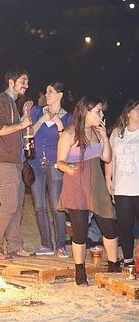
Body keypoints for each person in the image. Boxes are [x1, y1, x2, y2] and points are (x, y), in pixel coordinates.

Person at [57, 96, 119, 286]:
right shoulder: (68, 134)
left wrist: (105, 138)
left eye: (101, 111)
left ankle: (113, 265)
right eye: (98, 111)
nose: (101, 114)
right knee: (80, 231)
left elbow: (107, 158)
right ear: (86, 111)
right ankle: (80, 270)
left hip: (96, 184)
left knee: (109, 226)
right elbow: (59, 162)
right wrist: (67, 168)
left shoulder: (98, 133)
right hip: (76, 185)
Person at [0, 69, 34, 259]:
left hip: (15, 159)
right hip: (2, 159)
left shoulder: (12, 103)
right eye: (23, 81)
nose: (26, 85)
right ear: (11, 82)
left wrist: (25, 114)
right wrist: (22, 124)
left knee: (18, 205)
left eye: (27, 82)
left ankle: (14, 246)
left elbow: (14, 128)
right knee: (9, 204)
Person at [28, 82, 74, 257]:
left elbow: (69, 142)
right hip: (36, 164)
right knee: (39, 206)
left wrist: (58, 124)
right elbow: (28, 133)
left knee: (57, 207)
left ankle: (61, 245)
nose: (46, 94)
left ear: (60, 94)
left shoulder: (68, 118)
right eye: (46, 91)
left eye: (50, 91)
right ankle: (46, 244)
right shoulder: (37, 112)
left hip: (56, 165)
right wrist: (41, 120)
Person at [105, 98, 139, 270]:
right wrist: (108, 180)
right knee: (125, 226)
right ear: (128, 113)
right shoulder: (117, 133)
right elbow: (109, 159)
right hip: (122, 188)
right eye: (137, 109)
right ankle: (128, 260)